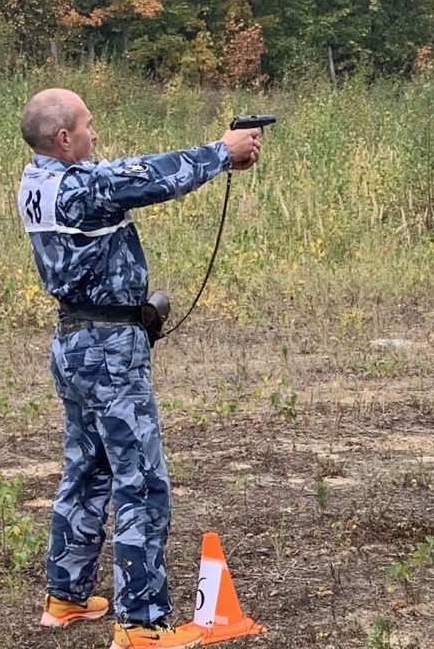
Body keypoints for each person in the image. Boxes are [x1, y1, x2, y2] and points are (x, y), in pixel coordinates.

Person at [18, 89, 260, 647]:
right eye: (87, 126)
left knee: (87, 468)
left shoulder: (40, 183)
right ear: (63, 139)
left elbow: (124, 175)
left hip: (76, 340)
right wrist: (221, 151)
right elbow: (148, 176)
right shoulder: (82, 188)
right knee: (141, 482)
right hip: (107, 346)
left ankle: (68, 594)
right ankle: (143, 624)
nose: (94, 134)